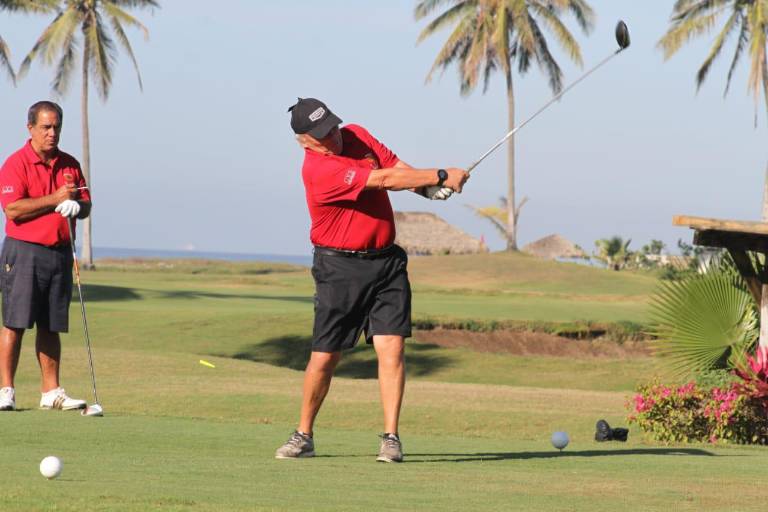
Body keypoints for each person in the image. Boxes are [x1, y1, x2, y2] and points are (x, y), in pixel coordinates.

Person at [275, 97, 469, 462]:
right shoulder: (318, 170)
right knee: (325, 357)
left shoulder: (357, 135)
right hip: (339, 269)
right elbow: (382, 179)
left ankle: (391, 437)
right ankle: (304, 434)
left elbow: (398, 170)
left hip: (386, 264)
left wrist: (426, 189)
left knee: (392, 349)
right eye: (322, 134)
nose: (333, 136)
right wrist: (441, 175)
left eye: (332, 126)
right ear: (304, 140)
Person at [0, 101, 92, 412]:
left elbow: (87, 203)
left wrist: (78, 206)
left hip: (59, 253)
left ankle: (50, 391)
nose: (52, 133)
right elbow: (13, 209)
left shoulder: (70, 164)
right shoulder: (16, 163)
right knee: (15, 322)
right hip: (23, 251)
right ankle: (6, 390)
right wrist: (56, 199)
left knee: (51, 324)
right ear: (31, 128)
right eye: (46, 127)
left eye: (56, 127)